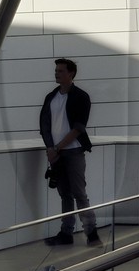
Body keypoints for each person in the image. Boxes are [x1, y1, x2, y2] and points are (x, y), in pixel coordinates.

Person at [40, 58, 101, 246]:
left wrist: (56, 148)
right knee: (65, 194)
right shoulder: (51, 97)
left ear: (71, 74)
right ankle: (66, 233)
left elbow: (78, 128)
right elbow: (44, 125)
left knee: (79, 193)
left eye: (60, 71)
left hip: (73, 151)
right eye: (56, 70)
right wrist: (50, 148)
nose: (56, 73)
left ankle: (91, 233)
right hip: (56, 153)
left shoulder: (80, 96)